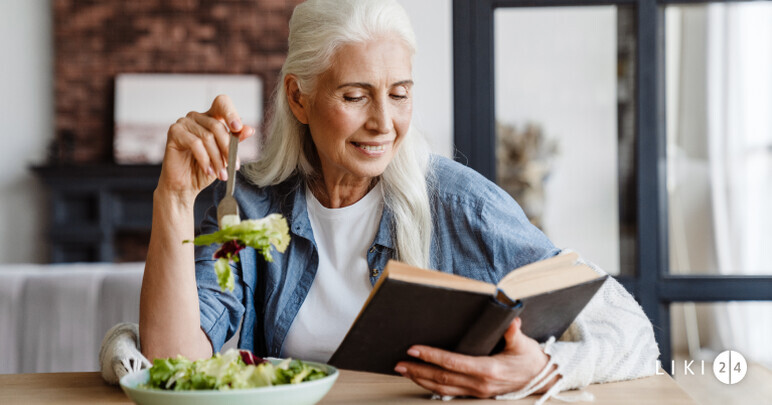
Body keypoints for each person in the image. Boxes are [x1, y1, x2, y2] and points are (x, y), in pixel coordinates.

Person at [139, 0, 659, 401]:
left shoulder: (461, 204)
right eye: (355, 95)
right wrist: (174, 199)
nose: (384, 123)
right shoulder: (248, 208)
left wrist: (545, 368)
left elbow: (630, 329)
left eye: (400, 93)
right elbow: (171, 361)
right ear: (299, 97)